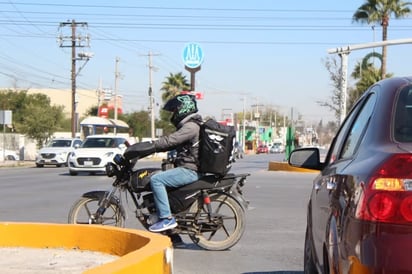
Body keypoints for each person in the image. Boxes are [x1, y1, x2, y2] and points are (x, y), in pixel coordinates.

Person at [123, 94, 203, 232]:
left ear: (184, 109)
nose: (174, 114)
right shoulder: (192, 125)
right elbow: (170, 145)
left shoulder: (191, 127)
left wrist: (151, 145)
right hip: (189, 168)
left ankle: (166, 218)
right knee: (160, 176)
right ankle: (172, 234)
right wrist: (143, 151)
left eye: (175, 111)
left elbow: (169, 141)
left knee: (157, 180)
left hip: (190, 170)